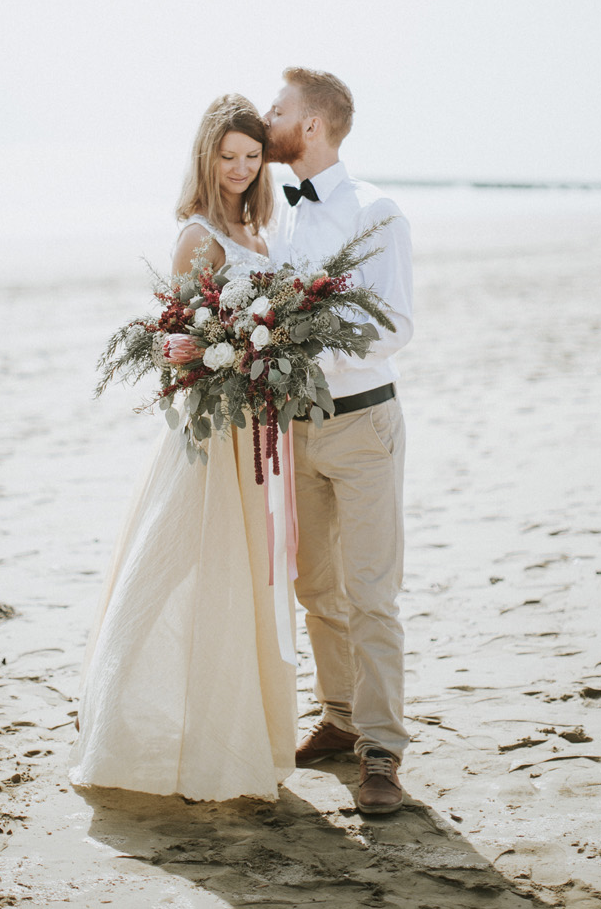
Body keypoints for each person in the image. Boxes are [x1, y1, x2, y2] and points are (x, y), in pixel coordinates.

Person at [70, 94, 297, 802]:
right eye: (227, 156)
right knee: (166, 563)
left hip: (255, 429)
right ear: (207, 157)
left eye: (251, 157)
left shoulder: (257, 234)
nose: (238, 167)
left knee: (242, 578)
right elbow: (175, 348)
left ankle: (235, 734)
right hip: (209, 430)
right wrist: (225, 357)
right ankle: (116, 718)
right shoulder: (197, 234)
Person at [264, 67, 414, 815]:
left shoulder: (376, 211)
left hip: (360, 423)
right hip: (294, 429)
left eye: (278, 109)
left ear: (312, 124)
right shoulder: (278, 215)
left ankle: (382, 750)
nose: (268, 118)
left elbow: (395, 327)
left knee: (370, 593)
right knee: (315, 587)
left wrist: (304, 346)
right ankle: (339, 716)